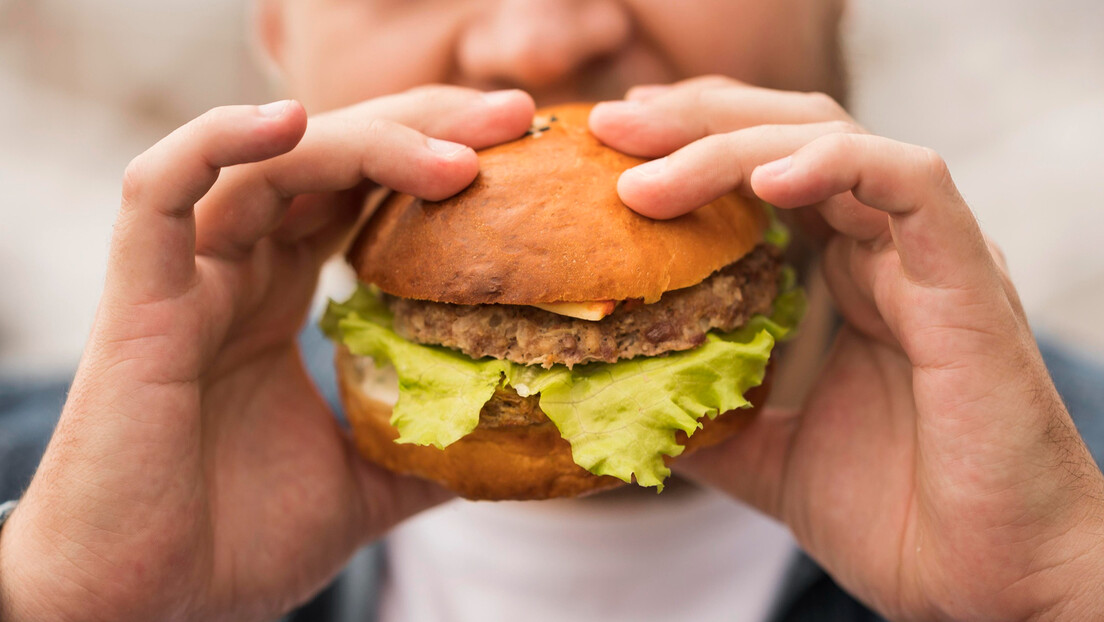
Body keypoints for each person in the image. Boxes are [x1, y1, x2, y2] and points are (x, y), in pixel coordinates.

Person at [1, 1, 1103, 620]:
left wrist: (1055, 595)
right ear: (277, 35)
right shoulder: (39, 520)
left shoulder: (1073, 525)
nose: (535, 42)